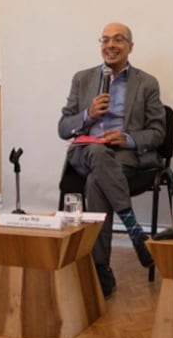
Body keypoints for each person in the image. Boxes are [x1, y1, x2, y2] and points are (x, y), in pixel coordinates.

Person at [58, 22, 165, 298]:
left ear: (130, 46)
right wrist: (88, 115)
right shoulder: (82, 79)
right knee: (96, 153)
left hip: (123, 157)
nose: (110, 45)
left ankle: (100, 269)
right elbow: (63, 127)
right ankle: (134, 230)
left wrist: (127, 138)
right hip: (85, 151)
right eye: (105, 40)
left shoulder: (147, 83)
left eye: (118, 40)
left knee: (97, 182)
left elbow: (158, 133)